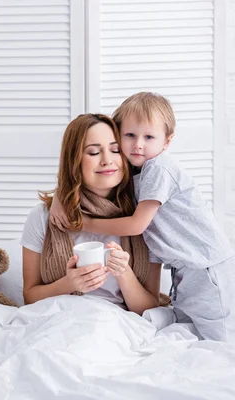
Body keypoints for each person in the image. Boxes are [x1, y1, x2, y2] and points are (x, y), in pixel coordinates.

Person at [50, 93, 235, 341]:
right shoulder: (134, 174)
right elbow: (79, 179)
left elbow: (137, 225)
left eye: (149, 137)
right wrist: (58, 198)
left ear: (167, 142)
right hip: (186, 268)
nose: (138, 144)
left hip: (207, 265)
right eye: (129, 135)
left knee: (220, 337)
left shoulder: (159, 168)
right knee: (194, 332)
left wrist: (83, 222)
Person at [22, 114, 162, 315]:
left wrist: (124, 273)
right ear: (74, 159)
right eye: (94, 152)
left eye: (115, 150)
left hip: (118, 322)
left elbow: (150, 308)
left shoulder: (144, 217)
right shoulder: (44, 216)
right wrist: (69, 283)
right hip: (58, 319)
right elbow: (30, 297)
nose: (107, 160)